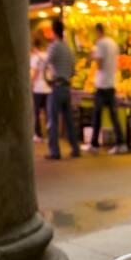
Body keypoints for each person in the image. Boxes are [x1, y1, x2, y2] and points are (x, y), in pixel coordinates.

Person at [82, 23, 128, 155]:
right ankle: (121, 143)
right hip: (111, 83)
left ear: (98, 31)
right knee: (113, 116)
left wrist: (93, 56)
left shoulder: (101, 44)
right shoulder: (113, 44)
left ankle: (94, 144)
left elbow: (100, 64)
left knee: (97, 115)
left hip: (102, 85)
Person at [43, 20, 80, 160]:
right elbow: (73, 70)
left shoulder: (54, 47)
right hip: (66, 87)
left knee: (53, 120)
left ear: (53, 31)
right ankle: (75, 148)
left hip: (57, 86)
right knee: (69, 121)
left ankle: (55, 151)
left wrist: (47, 80)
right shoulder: (68, 48)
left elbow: (45, 65)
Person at [30, 38, 51, 142]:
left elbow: (34, 72)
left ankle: (38, 134)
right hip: (48, 88)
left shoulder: (35, 58)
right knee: (48, 113)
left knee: (36, 112)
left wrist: (31, 84)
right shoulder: (48, 56)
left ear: (34, 47)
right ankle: (49, 135)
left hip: (38, 88)